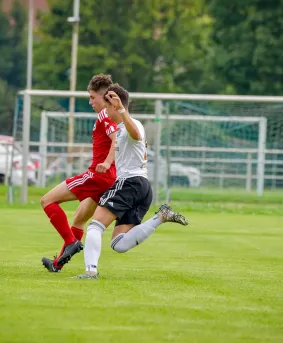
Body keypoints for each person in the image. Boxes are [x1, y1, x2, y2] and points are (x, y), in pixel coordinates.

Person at [55, 84, 189, 279]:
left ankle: (90, 271)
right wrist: (106, 163)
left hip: (130, 183)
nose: (105, 110)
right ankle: (161, 217)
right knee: (119, 244)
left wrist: (121, 111)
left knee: (94, 226)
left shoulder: (131, 124)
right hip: (142, 186)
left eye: (108, 107)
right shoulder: (117, 129)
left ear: (117, 106)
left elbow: (136, 134)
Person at [40, 74, 118, 272]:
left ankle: (70, 242)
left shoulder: (104, 115)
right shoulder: (113, 115)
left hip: (98, 176)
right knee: (80, 219)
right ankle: (57, 264)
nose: (90, 101)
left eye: (92, 97)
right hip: (109, 180)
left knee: (47, 201)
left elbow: (116, 138)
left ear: (104, 97)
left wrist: (107, 162)